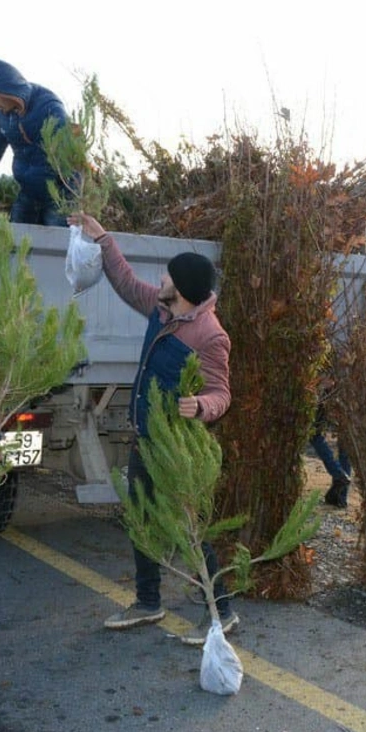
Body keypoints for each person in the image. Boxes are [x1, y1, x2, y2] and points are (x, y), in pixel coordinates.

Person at [70, 213, 235, 645]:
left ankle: (221, 612)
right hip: (146, 439)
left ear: (181, 288)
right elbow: (125, 282)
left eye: (168, 276)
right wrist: (102, 238)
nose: (160, 279)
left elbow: (221, 393)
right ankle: (148, 602)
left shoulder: (210, 335)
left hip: (176, 448)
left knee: (188, 529)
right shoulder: (162, 310)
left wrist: (201, 406)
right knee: (141, 520)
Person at [0, 59, 70, 226]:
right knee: (15, 237)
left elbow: (70, 158)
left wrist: (71, 199)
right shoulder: (1, 112)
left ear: (7, 90)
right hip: (28, 191)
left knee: (56, 240)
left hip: (57, 195)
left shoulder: (49, 108)